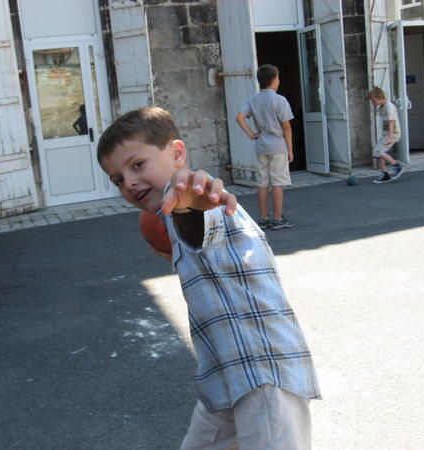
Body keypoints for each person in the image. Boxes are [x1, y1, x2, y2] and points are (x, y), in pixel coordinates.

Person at [97, 107, 320, 449]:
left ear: (177, 153)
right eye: (118, 179)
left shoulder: (194, 202)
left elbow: (198, 208)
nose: (129, 182)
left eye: (137, 165)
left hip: (262, 374)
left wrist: (191, 188)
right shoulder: (168, 219)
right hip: (224, 377)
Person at [235, 64, 295, 231]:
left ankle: (262, 218)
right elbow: (286, 126)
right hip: (277, 144)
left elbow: (239, 117)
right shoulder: (280, 100)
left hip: (261, 144)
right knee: (277, 182)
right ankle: (277, 218)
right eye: (277, 78)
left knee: (262, 182)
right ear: (274, 80)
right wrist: (290, 149)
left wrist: (251, 134)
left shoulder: (253, 99)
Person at [369, 87, 405, 184]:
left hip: (393, 133)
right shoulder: (381, 107)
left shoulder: (389, 107)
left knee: (378, 151)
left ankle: (396, 165)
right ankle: (384, 174)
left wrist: (389, 137)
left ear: (379, 97)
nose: (372, 103)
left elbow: (391, 122)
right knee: (376, 152)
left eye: (373, 100)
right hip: (386, 134)